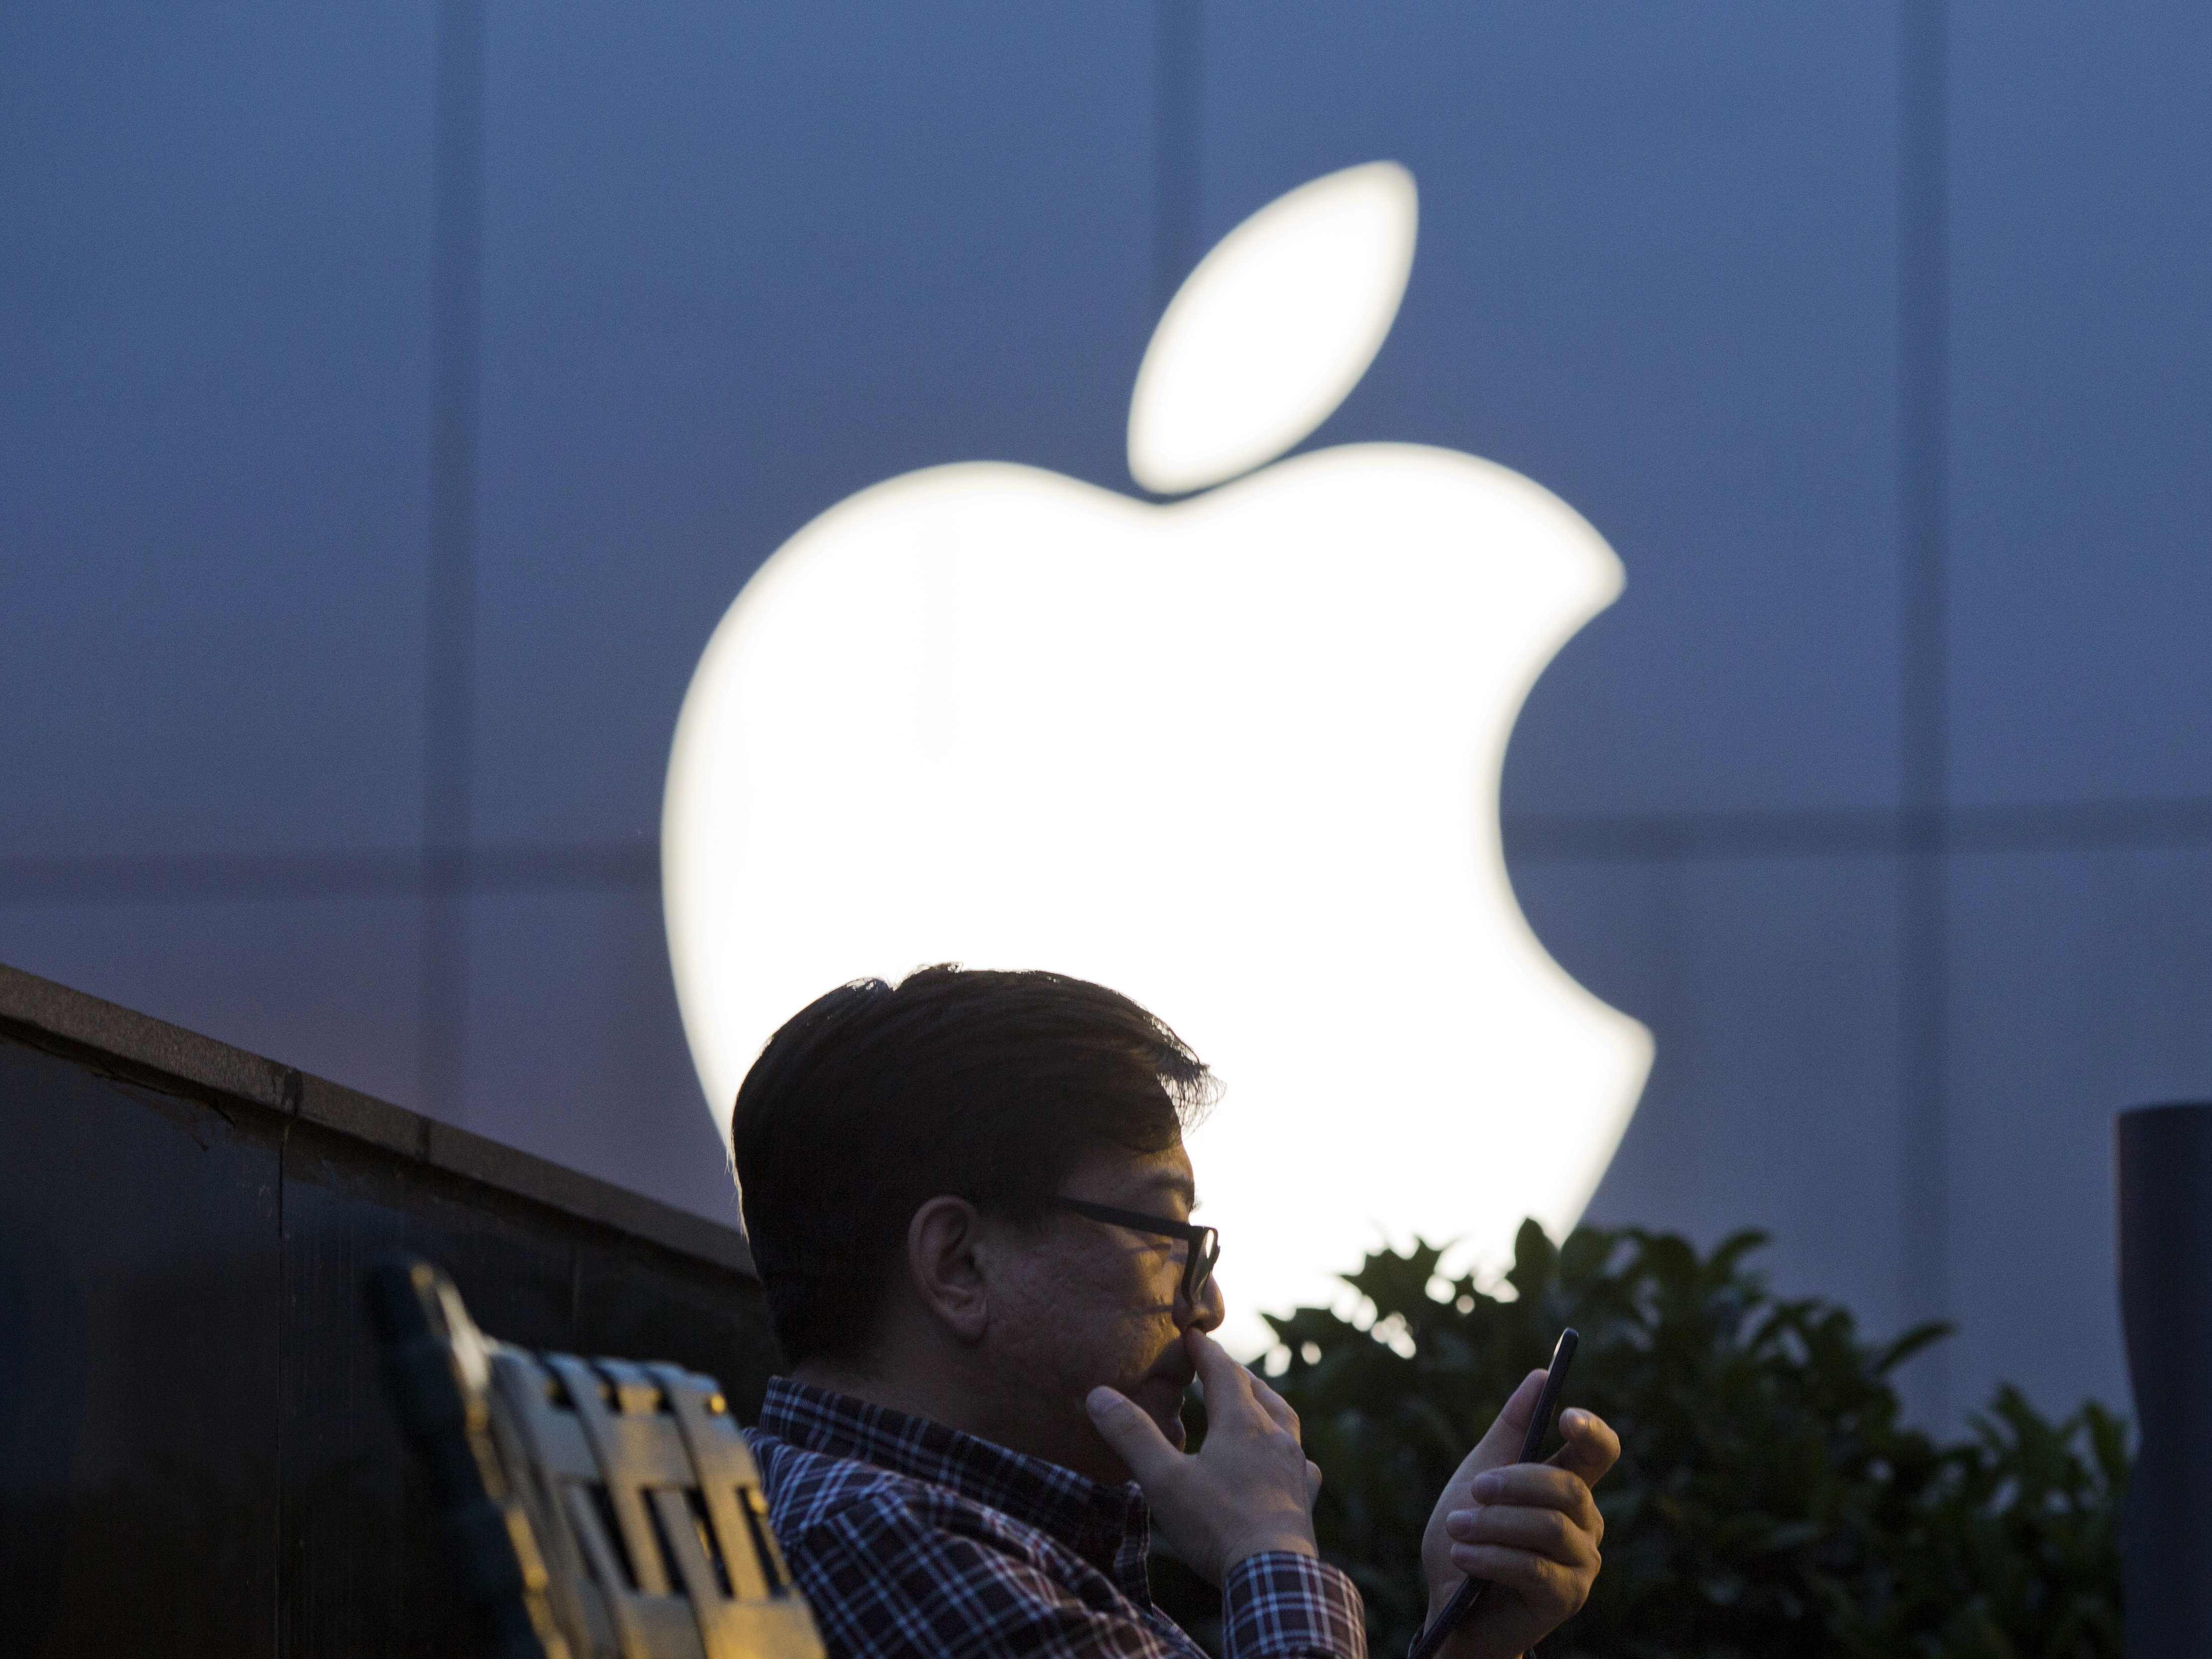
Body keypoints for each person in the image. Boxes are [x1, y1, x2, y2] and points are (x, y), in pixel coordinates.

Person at [732, 966, 1617, 1659]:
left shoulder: (926, 1530)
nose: (1208, 1306)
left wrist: (1463, 1643)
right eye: (1164, 1235)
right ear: (960, 1263)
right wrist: (1267, 1544)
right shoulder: (890, 1545)